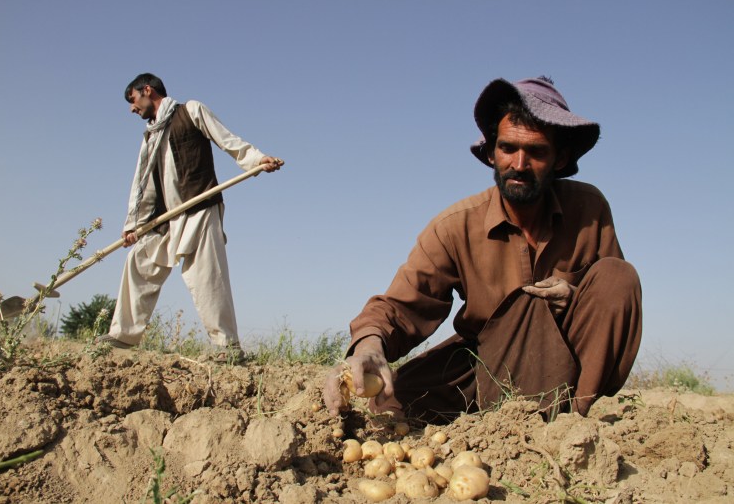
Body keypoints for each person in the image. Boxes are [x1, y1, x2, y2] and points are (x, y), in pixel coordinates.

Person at [324, 76, 642, 423]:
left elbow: (611, 305)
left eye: (536, 152)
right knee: (395, 399)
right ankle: (503, 416)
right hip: (487, 364)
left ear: (560, 158)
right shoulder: (456, 226)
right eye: (508, 148)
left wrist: (575, 298)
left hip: (568, 367)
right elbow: (402, 305)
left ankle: (572, 423)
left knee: (617, 277)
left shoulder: (589, 210)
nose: (519, 165)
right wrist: (370, 346)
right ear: (491, 153)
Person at [97, 73, 283, 353]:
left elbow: (226, 139)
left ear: (147, 90)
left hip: (198, 207)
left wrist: (256, 159)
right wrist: (133, 224)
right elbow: (142, 184)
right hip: (164, 218)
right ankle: (124, 335)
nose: (132, 108)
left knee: (207, 276)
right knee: (139, 263)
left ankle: (227, 346)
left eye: (133, 100)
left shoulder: (190, 111)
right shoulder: (150, 136)